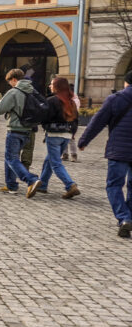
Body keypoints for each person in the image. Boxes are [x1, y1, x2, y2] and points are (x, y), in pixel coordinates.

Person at [78, 71, 132, 238]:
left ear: (126, 83)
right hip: (120, 150)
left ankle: (124, 218)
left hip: (118, 150)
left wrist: (84, 141)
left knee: (114, 185)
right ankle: (128, 217)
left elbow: (98, 122)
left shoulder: (115, 99)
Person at [0, 68, 42, 197]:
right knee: (9, 157)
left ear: (14, 80)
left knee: (11, 158)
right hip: (28, 130)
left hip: (15, 129)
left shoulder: (14, 92)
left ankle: (31, 180)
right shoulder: (32, 90)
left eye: (10, 81)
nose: (10, 84)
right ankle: (11, 185)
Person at [37, 77, 79, 199]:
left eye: (51, 84)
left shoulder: (51, 101)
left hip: (54, 135)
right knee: (49, 160)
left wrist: (44, 125)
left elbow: (45, 117)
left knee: (55, 163)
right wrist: (71, 134)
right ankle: (42, 185)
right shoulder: (71, 101)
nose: (50, 86)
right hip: (66, 136)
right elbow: (76, 120)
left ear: (57, 87)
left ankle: (70, 185)